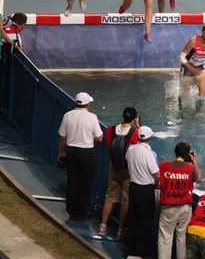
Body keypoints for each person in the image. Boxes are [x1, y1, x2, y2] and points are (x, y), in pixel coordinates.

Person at [57, 92, 103, 221]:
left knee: (72, 181)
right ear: (87, 104)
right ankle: (82, 212)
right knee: (85, 184)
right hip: (86, 153)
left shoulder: (67, 116)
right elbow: (99, 138)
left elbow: (62, 136)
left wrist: (60, 152)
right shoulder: (92, 117)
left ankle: (72, 211)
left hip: (71, 151)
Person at [98, 107, 140, 238]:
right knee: (125, 200)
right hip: (128, 169)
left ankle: (103, 226)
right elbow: (140, 146)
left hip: (114, 167)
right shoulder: (136, 132)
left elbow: (109, 144)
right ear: (134, 119)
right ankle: (120, 229)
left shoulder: (111, 129)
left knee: (110, 196)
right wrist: (138, 126)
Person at [157, 141, 202, 259]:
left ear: (175, 152)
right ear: (188, 155)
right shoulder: (190, 168)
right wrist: (194, 161)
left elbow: (157, 181)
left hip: (168, 207)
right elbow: (199, 179)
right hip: (185, 208)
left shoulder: (163, 166)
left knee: (165, 239)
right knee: (182, 240)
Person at [124, 125, 160, 258]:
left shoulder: (130, 150)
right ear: (150, 138)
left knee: (133, 218)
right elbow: (156, 174)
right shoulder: (148, 154)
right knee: (144, 222)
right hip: (145, 190)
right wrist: (157, 184)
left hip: (133, 187)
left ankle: (130, 249)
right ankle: (140, 252)